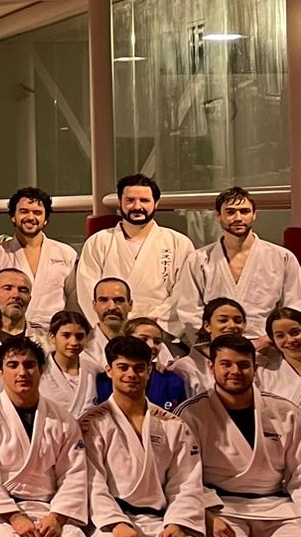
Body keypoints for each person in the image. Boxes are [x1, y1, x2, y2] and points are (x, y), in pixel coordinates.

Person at [80, 335, 213, 537]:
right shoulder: (92, 423)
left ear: (149, 371)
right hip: (112, 520)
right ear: (109, 370)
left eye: (139, 368)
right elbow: (92, 482)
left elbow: (186, 481)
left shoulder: (172, 424)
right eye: (123, 367)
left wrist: (177, 523)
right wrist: (117, 524)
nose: (131, 374)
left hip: (158, 521)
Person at [0, 336, 95, 537]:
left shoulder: (63, 419)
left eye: (29, 365)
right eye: (13, 365)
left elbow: (73, 474)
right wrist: (14, 516)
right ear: (0, 372)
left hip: (48, 509)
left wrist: (57, 517)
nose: (22, 372)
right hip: (4, 511)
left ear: (41, 370)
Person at [179, 334, 301, 537]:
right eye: (226, 364)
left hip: (275, 506)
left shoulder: (284, 411)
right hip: (222, 507)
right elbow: (184, 475)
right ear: (211, 367)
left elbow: (299, 471)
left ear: (255, 368)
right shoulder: (192, 413)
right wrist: (206, 514)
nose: (235, 371)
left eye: (244, 365)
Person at [76, 173, 194, 337]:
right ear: (120, 203)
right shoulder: (98, 242)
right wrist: (110, 329)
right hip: (112, 332)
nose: (137, 206)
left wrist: (151, 328)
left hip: (158, 333)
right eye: (130, 200)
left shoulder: (178, 242)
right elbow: (87, 291)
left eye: (144, 200)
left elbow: (185, 292)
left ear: (156, 203)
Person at [188, 186, 301, 344]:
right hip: (215, 347)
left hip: (267, 346)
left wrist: (268, 340)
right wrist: (213, 343)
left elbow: (294, 306)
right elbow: (189, 310)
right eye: (230, 212)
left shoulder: (282, 257)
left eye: (245, 211)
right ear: (218, 216)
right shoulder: (199, 259)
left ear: (254, 215)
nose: (238, 218)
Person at [0, 187, 77, 340]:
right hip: (8, 332)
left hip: (54, 335)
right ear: (13, 216)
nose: (30, 217)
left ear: (46, 219)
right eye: (24, 211)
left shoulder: (66, 253)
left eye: (37, 213)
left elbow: (73, 302)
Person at [38, 308, 95, 424]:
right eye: (66, 335)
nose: (74, 342)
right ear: (52, 337)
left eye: (79, 336)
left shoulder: (94, 371)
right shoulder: (39, 371)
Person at [261, 305, 301, 406]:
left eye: (295, 332)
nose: (290, 340)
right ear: (273, 339)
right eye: (280, 336)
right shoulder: (266, 375)